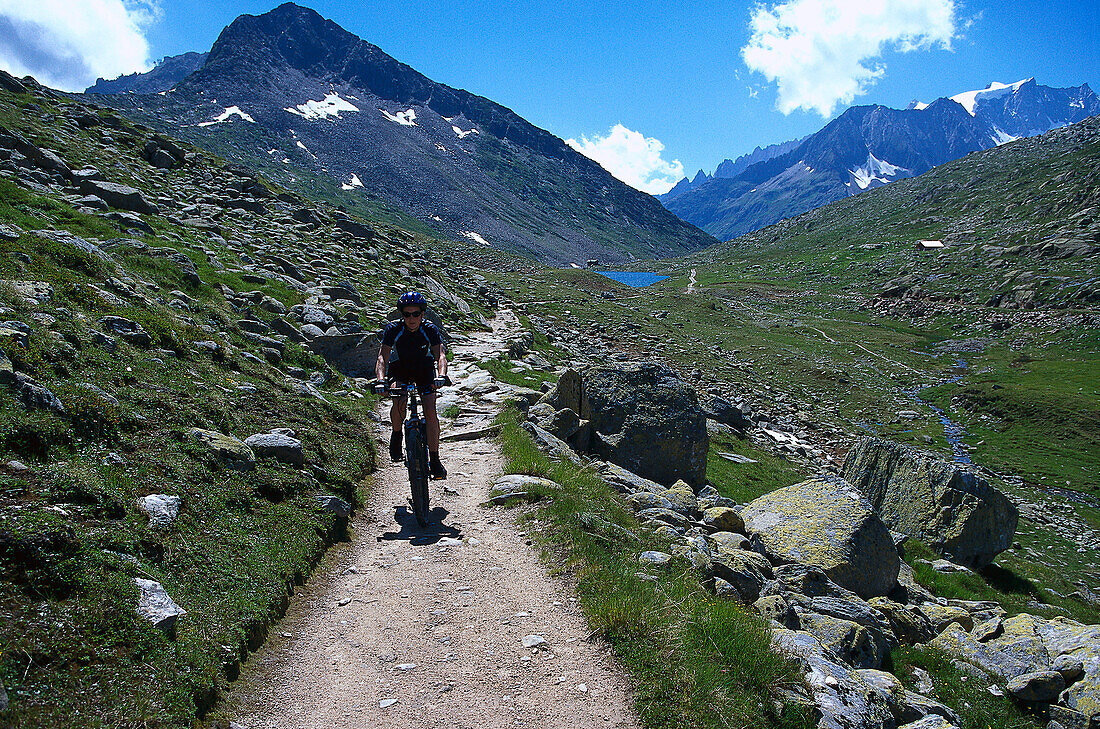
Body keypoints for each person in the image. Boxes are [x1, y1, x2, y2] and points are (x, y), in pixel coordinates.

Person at [375, 291, 448, 479]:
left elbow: (440, 355)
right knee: (398, 400)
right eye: (407, 314)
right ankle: (397, 434)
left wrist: (441, 375)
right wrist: (381, 380)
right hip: (401, 368)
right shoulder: (393, 329)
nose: (411, 318)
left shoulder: (429, 329)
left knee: (430, 411)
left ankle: (434, 459)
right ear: (402, 315)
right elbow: (382, 357)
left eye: (416, 314)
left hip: (423, 369)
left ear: (422, 314)